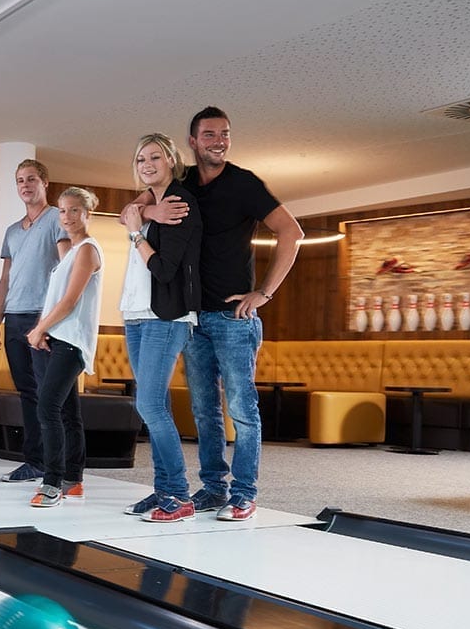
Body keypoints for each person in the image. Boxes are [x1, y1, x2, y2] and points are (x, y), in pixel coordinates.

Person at [123, 107, 302, 521]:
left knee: (242, 408)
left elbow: (292, 233)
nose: (218, 141)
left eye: (224, 134)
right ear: (191, 141)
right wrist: (150, 213)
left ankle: (244, 492)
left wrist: (264, 292)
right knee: (204, 409)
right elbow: (129, 211)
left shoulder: (244, 184)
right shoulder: (180, 182)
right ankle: (213, 488)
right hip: (191, 316)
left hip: (234, 318)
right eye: (208, 134)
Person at [118, 134, 203, 522]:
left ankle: (179, 495)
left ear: (172, 160)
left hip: (166, 316)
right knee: (155, 405)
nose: (147, 163)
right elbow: (128, 212)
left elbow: (164, 269)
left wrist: (137, 232)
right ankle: (164, 489)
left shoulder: (179, 202)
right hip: (137, 313)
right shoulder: (150, 203)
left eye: (155, 157)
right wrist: (143, 216)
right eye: (140, 159)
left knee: (149, 404)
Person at [0, 159, 70, 483]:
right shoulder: (11, 231)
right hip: (14, 318)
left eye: (31, 179)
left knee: (48, 394)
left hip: (42, 318)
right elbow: (5, 279)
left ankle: (56, 467)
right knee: (28, 392)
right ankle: (35, 461)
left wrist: (48, 321)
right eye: (20, 180)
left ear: (44, 182)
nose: (25, 185)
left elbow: (66, 269)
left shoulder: (56, 220)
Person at [25, 187, 103, 508]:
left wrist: (39, 328)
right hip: (58, 339)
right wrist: (43, 331)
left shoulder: (87, 250)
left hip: (72, 341)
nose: (67, 217)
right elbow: (56, 298)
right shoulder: (70, 252)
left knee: (47, 408)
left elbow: (70, 302)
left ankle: (52, 482)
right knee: (68, 412)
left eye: (74, 210)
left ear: (87, 214)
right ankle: (74, 480)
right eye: (62, 211)